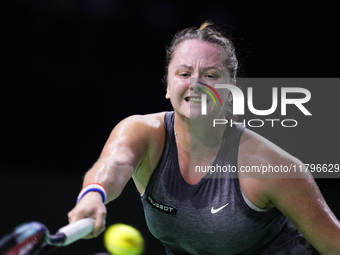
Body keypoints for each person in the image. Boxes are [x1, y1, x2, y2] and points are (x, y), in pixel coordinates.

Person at [68, 23, 340, 254]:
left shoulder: (269, 165)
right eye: (184, 74)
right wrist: (93, 194)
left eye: (210, 75)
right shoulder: (142, 132)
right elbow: (114, 163)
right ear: (168, 85)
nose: (196, 84)